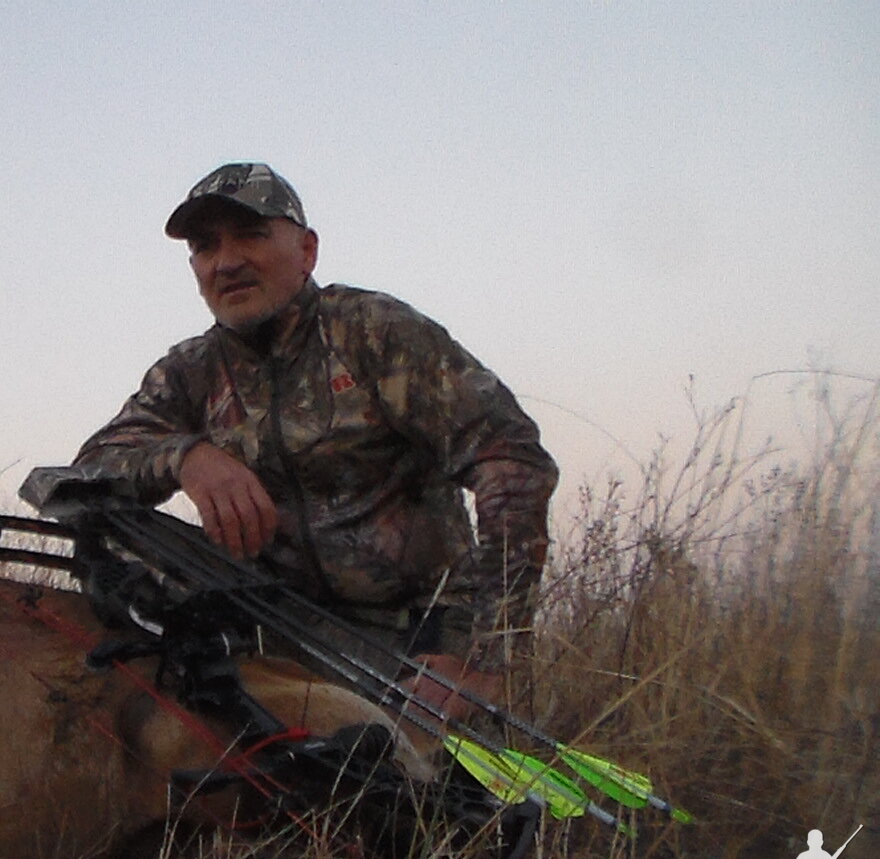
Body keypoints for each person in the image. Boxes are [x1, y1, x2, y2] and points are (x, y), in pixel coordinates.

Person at [73, 163, 558, 721]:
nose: (226, 262)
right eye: (206, 247)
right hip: (278, 640)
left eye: (251, 235)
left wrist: (484, 659)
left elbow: (512, 459)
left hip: (422, 644)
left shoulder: (374, 332)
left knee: (434, 800)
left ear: (307, 251)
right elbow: (78, 480)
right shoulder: (190, 371)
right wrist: (187, 457)